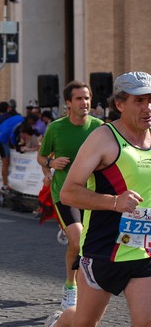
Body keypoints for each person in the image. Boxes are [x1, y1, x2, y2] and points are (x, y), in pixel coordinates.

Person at [34, 71, 151, 327]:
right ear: (120, 104)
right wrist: (114, 202)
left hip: (144, 251)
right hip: (104, 250)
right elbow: (69, 192)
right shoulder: (103, 139)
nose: (147, 107)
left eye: (150, 100)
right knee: (84, 326)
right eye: (139, 101)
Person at [37, 80, 104, 311]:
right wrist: (50, 164)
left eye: (87, 98)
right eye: (79, 98)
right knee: (77, 240)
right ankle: (70, 286)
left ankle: (89, 284)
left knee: (87, 244)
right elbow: (41, 156)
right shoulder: (56, 128)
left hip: (93, 195)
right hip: (64, 193)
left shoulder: (99, 127)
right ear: (68, 103)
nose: (84, 103)